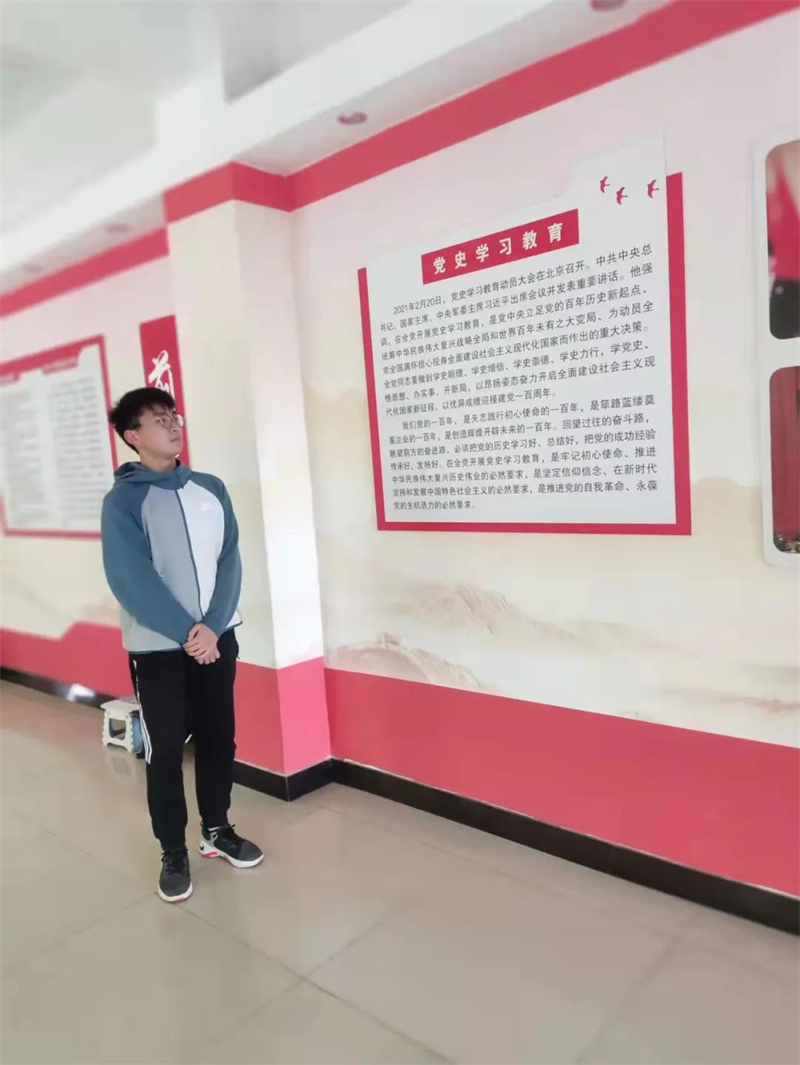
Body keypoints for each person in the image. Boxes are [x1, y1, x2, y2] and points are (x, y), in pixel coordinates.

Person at [101, 387, 263, 903]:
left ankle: (217, 830)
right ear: (133, 436)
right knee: (166, 750)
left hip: (218, 639)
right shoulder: (123, 501)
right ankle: (173, 849)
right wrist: (189, 634)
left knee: (219, 738)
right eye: (159, 419)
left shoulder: (210, 489)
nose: (173, 424)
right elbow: (130, 579)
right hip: (159, 648)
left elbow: (230, 560)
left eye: (174, 415)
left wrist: (212, 628)